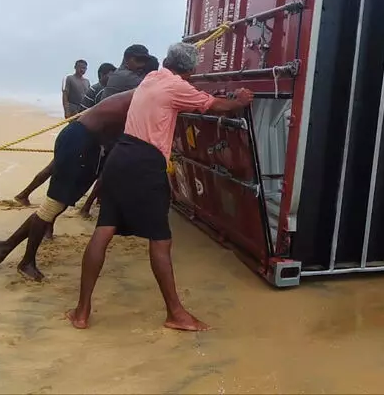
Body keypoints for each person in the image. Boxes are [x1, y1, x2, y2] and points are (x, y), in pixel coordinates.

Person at [67, 43, 253, 331]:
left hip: (120, 157)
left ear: (166, 61)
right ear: (190, 70)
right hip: (145, 163)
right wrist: (239, 100)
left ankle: (81, 312)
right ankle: (176, 314)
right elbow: (217, 106)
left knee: (104, 231)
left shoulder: (152, 78)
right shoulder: (178, 87)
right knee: (160, 239)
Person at [0, 90, 136, 281]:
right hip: (80, 140)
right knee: (52, 205)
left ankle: (5, 246)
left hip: (84, 140)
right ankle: (26, 262)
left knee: (56, 206)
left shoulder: (138, 93)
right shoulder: (144, 96)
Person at [13, 48, 152, 209]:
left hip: (85, 131)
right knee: (60, 169)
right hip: (83, 131)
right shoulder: (99, 88)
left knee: (60, 168)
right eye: (139, 61)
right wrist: (67, 113)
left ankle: (29, 196)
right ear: (103, 75)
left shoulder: (93, 84)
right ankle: (33, 199)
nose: (141, 66)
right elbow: (76, 103)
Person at [77, 54, 160, 218]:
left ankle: (92, 204)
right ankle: (87, 206)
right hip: (105, 134)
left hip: (104, 132)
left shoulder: (120, 80)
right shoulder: (137, 84)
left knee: (103, 172)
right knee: (102, 172)